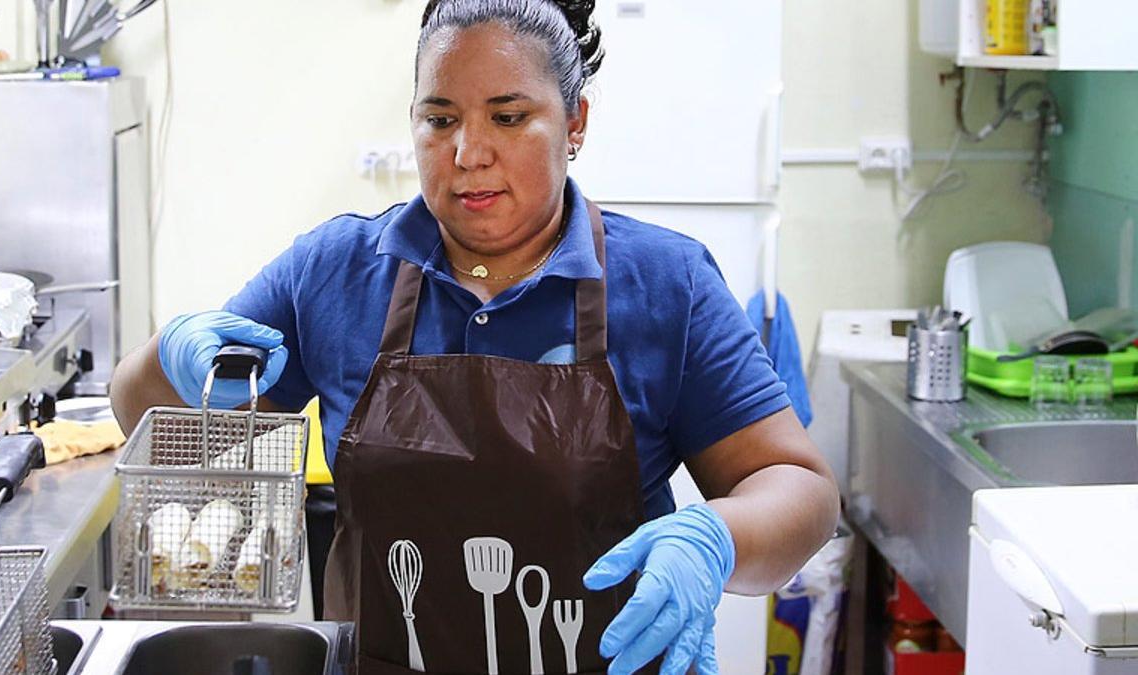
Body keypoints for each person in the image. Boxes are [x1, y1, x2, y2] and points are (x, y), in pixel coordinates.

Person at [110, 1, 840, 673]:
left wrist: (716, 540)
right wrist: (169, 350)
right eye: (440, 118)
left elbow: (799, 487)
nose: (468, 152)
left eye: (508, 117)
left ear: (575, 122)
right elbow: (158, 422)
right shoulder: (334, 273)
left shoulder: (665, 283)